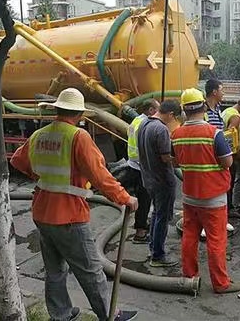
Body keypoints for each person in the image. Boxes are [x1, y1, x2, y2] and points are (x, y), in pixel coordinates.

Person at [10, 88, 138, 321]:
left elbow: (18, 160)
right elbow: (100, 176)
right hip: (69, 215)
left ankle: (61, 314)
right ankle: (110, 315)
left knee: (55, 270)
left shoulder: (40, 135)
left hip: (42, 212)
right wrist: (125, 198)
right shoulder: (78, 137)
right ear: (79, 113)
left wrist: (39, 176)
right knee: (91, 270)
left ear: (57, 109)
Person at [172, 88, 240, 293]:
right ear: (203, 106)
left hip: (189, 195)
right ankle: (221, 283)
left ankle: (189, 277)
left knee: (189, 236)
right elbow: (227, 162)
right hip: (213, 197)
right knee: (216, 239)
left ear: (183, 110)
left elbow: (174, 161)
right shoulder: (214, 134)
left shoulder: (176, 134)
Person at [137, 99, 181, 267]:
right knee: (163, 217)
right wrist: (181, 158)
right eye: (174, 117)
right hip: (162, 180)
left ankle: (153, 248)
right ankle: (158, 256)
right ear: (170, 114)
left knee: (157, 214)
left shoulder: (144, 123)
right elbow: (165, 158)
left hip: (148, 179)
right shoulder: (161, 129)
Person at [126, 99, 160, 243]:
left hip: (133, 165)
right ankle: (140, 233)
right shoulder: (146, 124)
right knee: (144, 200)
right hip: (142, 167)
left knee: (142, 199)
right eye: (158, 110)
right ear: (151, 110)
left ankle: (141, 225)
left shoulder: (136, 121)